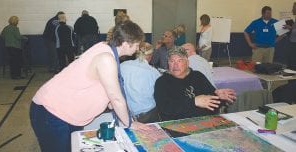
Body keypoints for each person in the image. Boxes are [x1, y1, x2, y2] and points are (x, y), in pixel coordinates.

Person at [30, 20, 147, 152]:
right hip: (52, 112)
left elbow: (107, 92)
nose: (138, 49)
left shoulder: (104, 47)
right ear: (126, 43)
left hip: (66, 114)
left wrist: (120, 112)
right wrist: (130, 123)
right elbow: (116, 98)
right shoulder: (106, 58)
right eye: (137, 45)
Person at [154, 46, 236, 121]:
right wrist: (194, 102)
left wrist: (220, 97)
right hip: (178, 124)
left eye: (179, 61)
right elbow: (165, 108)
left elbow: (213, 103)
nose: (175, 65)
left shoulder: (198, 76)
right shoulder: (162, 82)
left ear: (187, 62)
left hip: (205, 121)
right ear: (168, 63)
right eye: (172, 61)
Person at [121, 42, 161, 123]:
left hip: (126, 113)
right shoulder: (154, 72)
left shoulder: (123, 65)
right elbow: (158, 93)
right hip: (148, 113)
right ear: (150, 55)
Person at [283, 2, 296, 70]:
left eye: (293, 8)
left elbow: (293, 29)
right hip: (292, 43)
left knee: (293, 63)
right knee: (290, 62)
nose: (292, 10)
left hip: (294, 45)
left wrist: (290, 27)